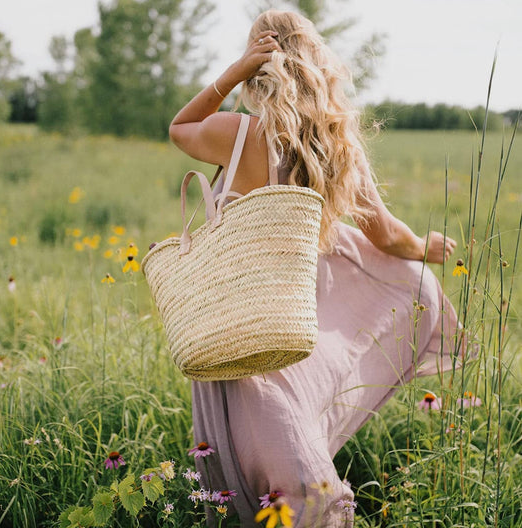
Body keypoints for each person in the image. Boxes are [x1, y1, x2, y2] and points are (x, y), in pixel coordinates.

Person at [169, 9, 461, 528]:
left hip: (233, 314)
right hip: (293, 320)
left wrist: (232, 72)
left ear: (260, 70)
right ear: (316, 63)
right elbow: (387, 236)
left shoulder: (237, 135)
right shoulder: (336, 147)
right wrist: (424, 247)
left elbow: (179, 127)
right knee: (291, 437)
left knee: (271, 452)